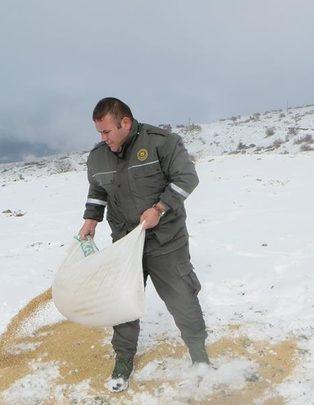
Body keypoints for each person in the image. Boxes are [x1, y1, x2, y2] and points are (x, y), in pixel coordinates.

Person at [78, 97, 209, 392]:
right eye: (99, 133)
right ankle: (123, 360)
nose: (103, 138)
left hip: (167, 242)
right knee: (123, 303)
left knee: (182, 297)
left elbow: (187, 178)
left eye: (107, 132)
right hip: (126, 244)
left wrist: (160, 208)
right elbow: (98, 189)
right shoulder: (98, 156)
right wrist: (91, 219)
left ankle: (199, 355)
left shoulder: (162, 143)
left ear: (125, 123)